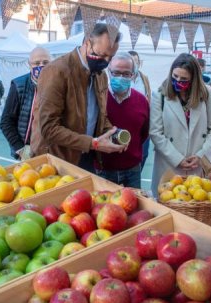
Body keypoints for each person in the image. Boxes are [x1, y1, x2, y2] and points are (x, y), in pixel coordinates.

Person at [32, 23, 126, 172]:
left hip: (86, 155)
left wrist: (113, 133)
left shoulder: (101, 76)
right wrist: (92, 143)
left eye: (111, 57)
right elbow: (49, 128)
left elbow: (98, 116)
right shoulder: (56, 71)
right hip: (55, 161)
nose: (106, 62)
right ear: (87, 44)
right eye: (102, 55)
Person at [149, 53, 211, 197]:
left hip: (199, 165)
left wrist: (200, 155)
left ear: (194, 79)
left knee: (199, 206)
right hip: (169, 165)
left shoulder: (205, 93)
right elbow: (156, 133)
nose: (178, 81)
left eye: (184, 79)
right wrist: (177, 159)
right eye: (175, 77)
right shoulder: (160, 94)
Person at [95, 53, 149, 188]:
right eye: (116, 73)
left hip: (132, 169)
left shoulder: (141, 101)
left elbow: (144, 133)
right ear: (109, 71)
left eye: (126, 74)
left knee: (135, 207)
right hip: (103, 169)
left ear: (133, 74)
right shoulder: (99, 98)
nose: (120, 77)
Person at [0, 46, 51, 160]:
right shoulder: (19, 85)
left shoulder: (58, 84)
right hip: (27, 149)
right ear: (29, 64)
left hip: (52, 150)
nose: (41, 66)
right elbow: (6, 122)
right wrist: (20, 148)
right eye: (36, 63)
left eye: (46, 62)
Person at [127, 50, 152, 170]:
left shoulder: (144, 78)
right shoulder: (122, 79)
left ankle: (137, 173)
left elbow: (148, 97)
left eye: (136, 62)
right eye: (131, 62)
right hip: (128, 123)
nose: (134, 65)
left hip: (142, 123)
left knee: (144, 153)